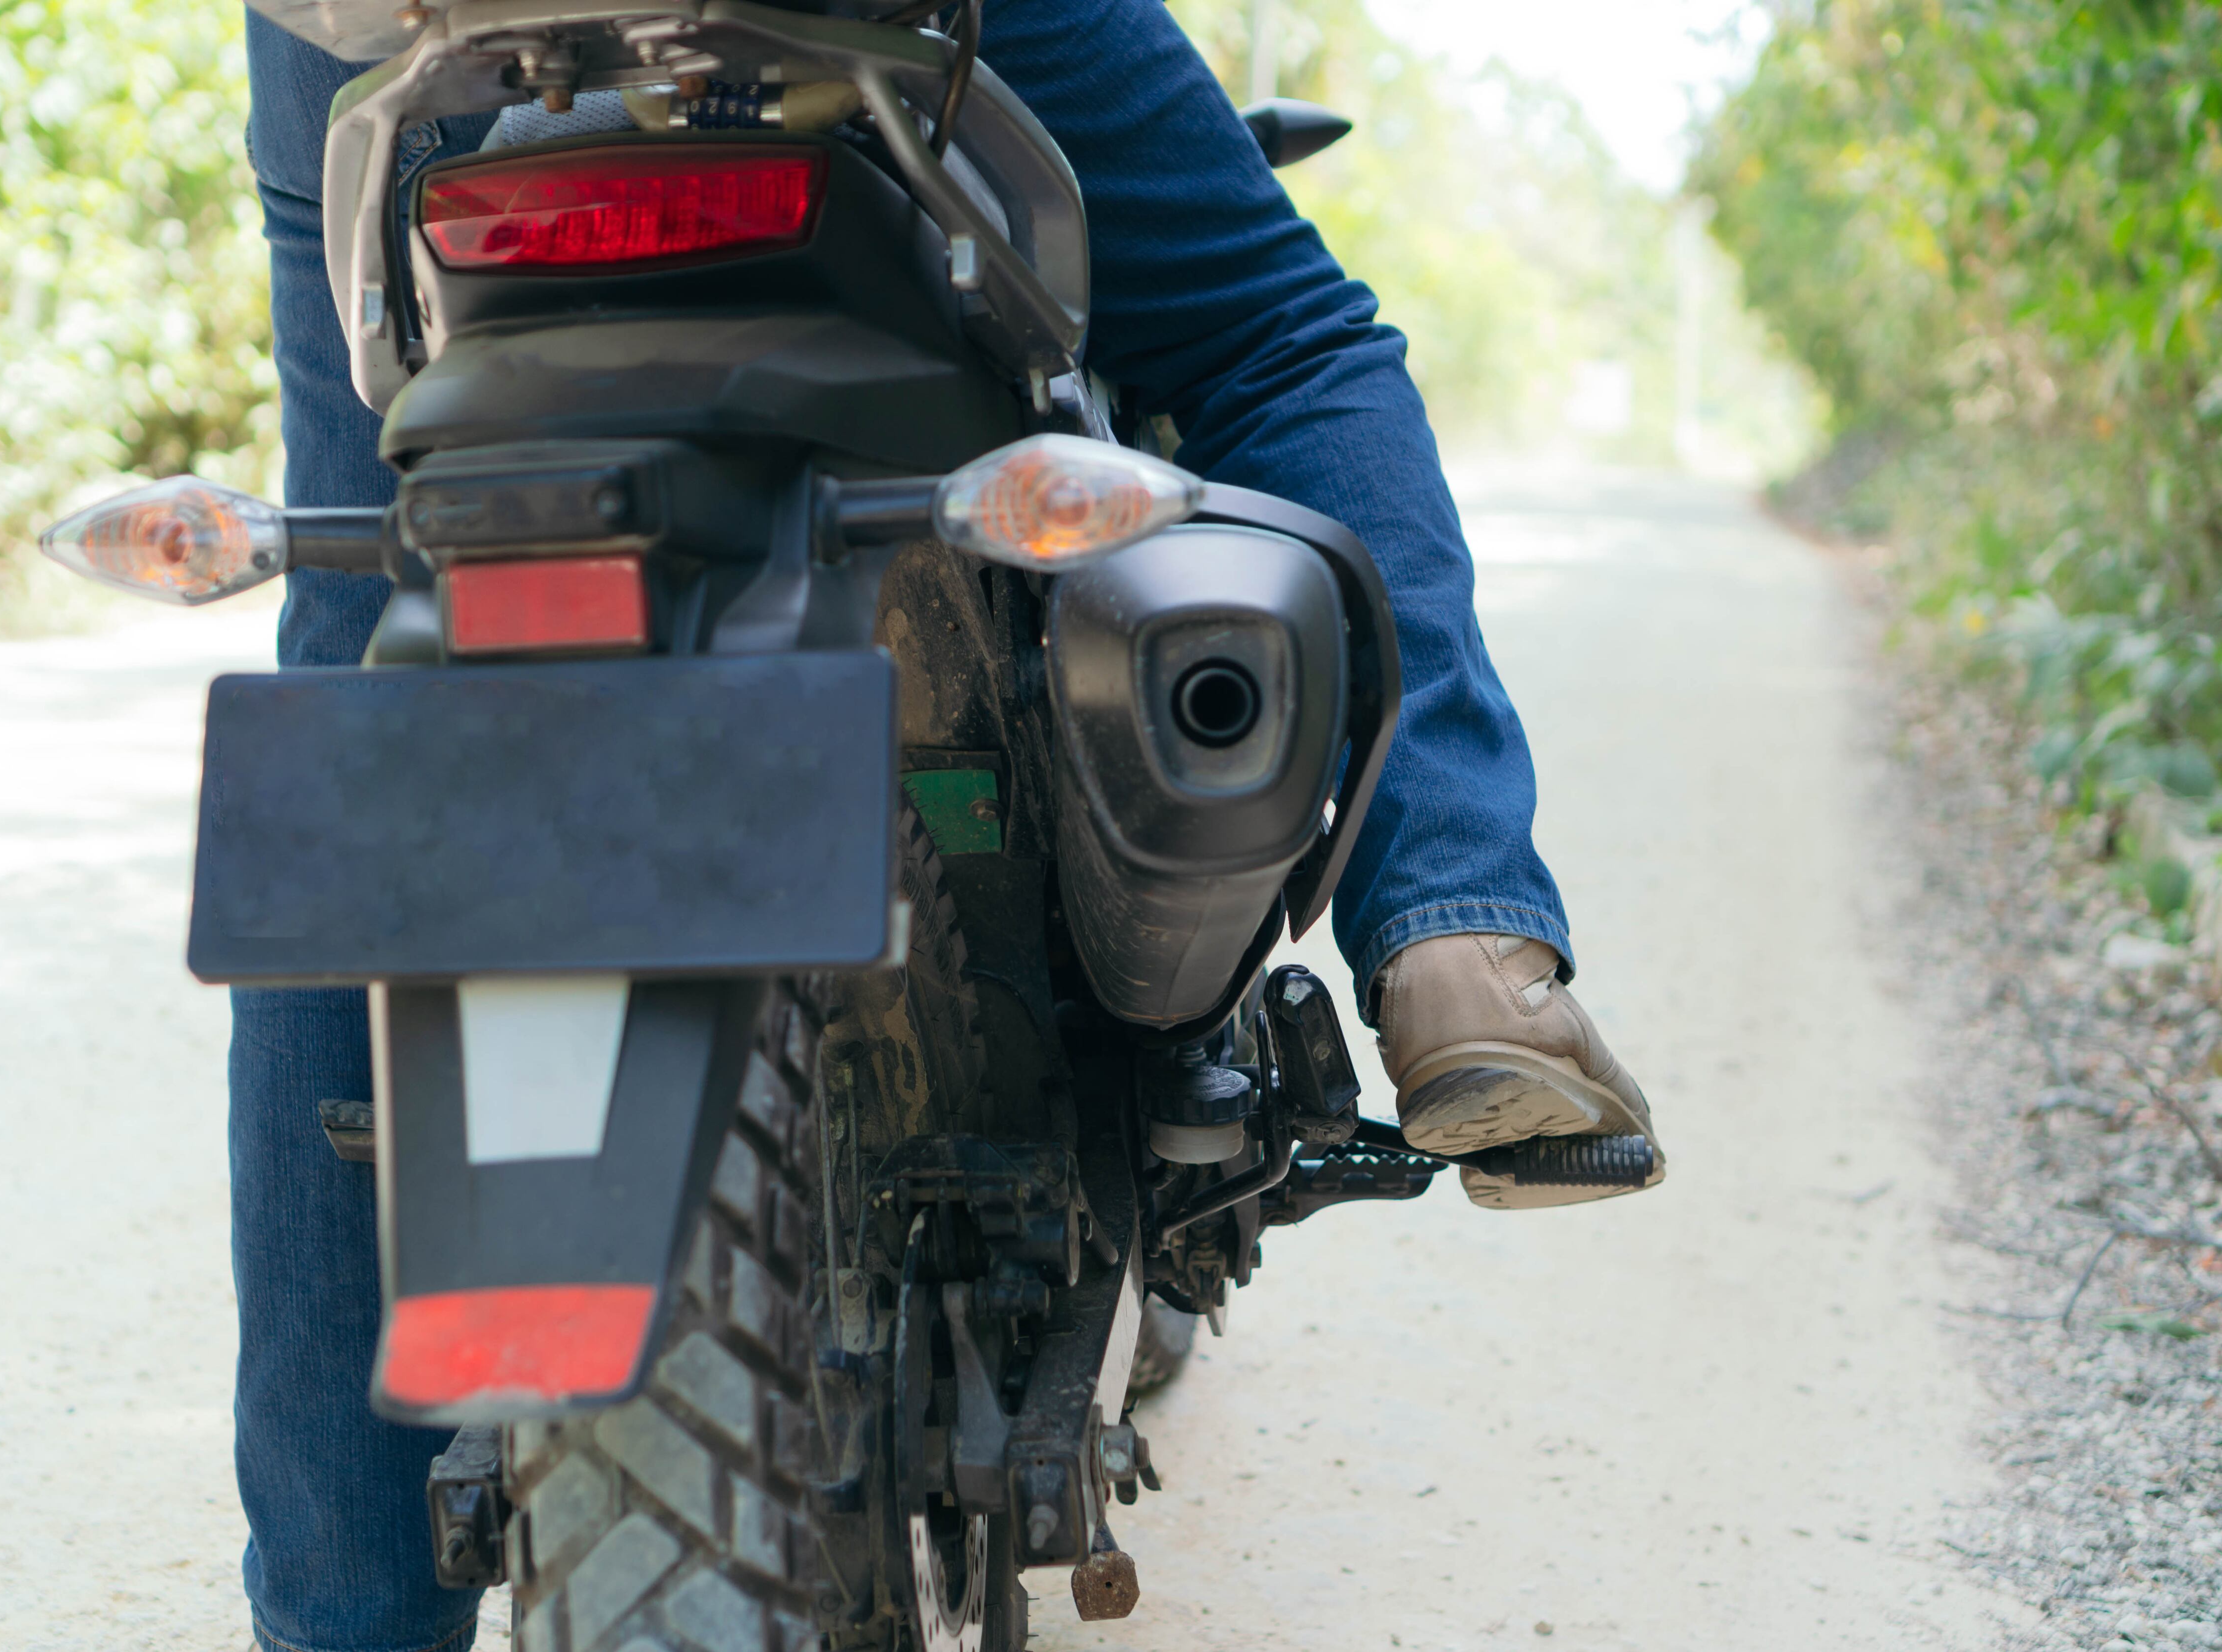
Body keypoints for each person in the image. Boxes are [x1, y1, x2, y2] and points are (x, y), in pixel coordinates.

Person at [231, 1, 1665, 1646]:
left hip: (388, 32)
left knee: (371, 620)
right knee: (1281, 339)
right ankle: (1457, 938)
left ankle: (345, 1624)